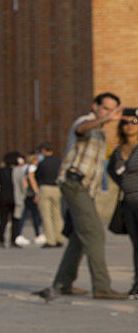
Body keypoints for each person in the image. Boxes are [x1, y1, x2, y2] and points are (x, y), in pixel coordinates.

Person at [50, 92, 124, 299]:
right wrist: (104, 119)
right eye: (105, 108)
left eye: (113, 110)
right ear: (95, 106)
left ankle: (62, 283)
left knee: (79, 237)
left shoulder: (100, 133)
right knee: (95, 234)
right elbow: (80, 130)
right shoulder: (86, 121)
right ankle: (102, 287)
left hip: (86, 189)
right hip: (75, 183)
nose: (109, 113)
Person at [106, 108, 138, 298]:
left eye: (134, 122)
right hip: (128, 203)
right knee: (136, 245)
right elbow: (112, 171)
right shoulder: (118, 150)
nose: (129, 126)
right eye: (125, 122)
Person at [32, 143, 65, 247]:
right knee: (57, 214)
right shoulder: (58, 161)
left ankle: (50, 240)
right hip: (56, 188)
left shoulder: (43, 163)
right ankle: (59, 238)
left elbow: (37, 176)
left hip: (45, 188)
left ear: (43, 150)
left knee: (46, 216)